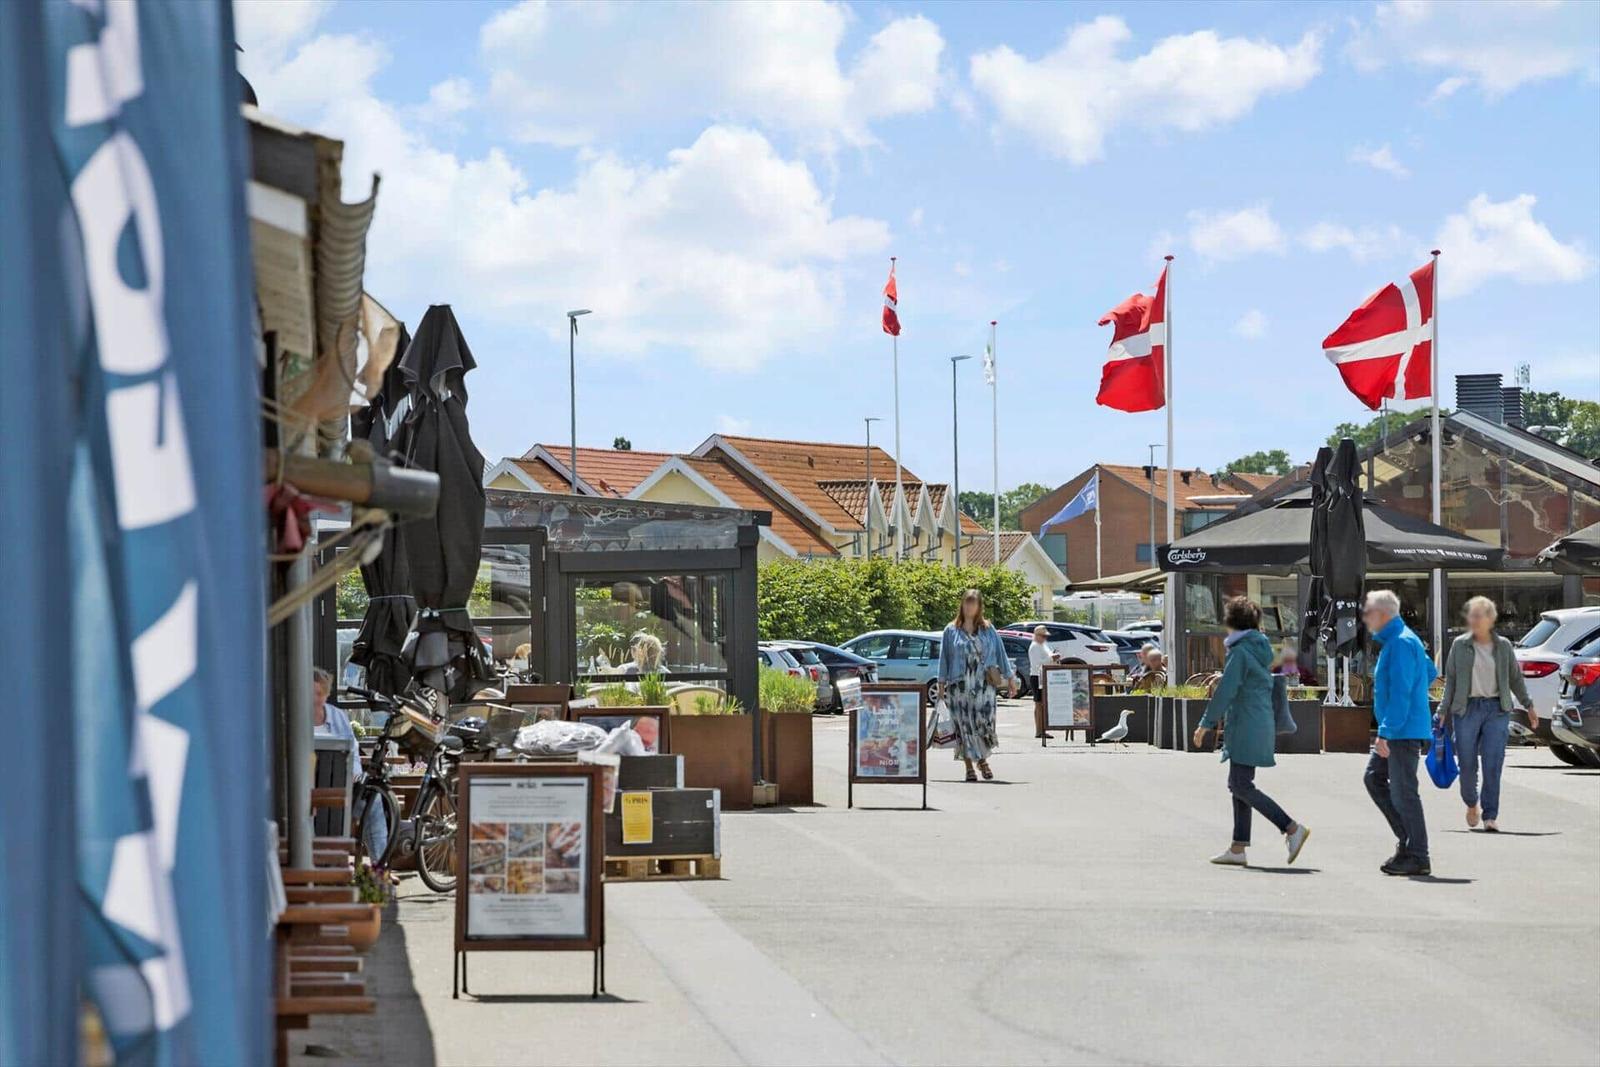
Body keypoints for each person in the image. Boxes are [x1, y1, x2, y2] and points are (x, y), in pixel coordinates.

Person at [1194, 597, 1311, 867]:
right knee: (1240, 785)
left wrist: (1206, 722)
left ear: (1231, 622)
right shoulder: (1258, 647)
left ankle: (1291, 828)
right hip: (1257, 722)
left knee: (1240, 784)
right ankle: (1238, 848)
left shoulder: (1241, 651)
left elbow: (1226, 689)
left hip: (1246, 724)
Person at [1439, 596, 1537, 832]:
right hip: (1467, 708)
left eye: (1479, 615)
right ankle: (1471, 803)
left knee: (1493, 763)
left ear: (1490, 619)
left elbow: (1515, 678)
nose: (1474, 620)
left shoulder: (1503, 646)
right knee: (1467, 763)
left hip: (1497, 709)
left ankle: (1490, 815)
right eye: (1471, 615)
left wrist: (1529, 705)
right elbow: (1450, 681)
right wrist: (1442, 711)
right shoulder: (1459, 646)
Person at [1361, 589, 1439, 876]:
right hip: (1401, 727)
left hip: (1400, 731)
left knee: (1404, 792)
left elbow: (1402, 692)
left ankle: (1418, 854)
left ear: (1382, 614)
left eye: (1369, 612)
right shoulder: (1402, 640)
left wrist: (1386, 731)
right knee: (1374, 779)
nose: (1366, 618)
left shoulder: (1401, 644)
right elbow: (1429, 672)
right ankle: (1408, 842)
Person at [938, 588, 1018, 782]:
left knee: (984, 724)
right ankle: (970, 766)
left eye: (974, 602)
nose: (970, 606)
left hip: (984, 686)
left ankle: (981, 759)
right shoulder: (951, 630)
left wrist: (1010, 679)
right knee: (964, 727)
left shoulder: (988, 629)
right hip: (960, 686)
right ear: (962, 604)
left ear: (979, 606)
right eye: (967, 601)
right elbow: (944, 659)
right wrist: (941, 685)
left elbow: (1000, 654)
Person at [1028, 626, 1059, 742]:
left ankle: (1042, 730)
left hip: (1043, 676)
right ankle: (1039, 730)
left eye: (1045, 636)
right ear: (1037, 635)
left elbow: (1047, 657)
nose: (1045, 638)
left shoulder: (1043, 645)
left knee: (1042, 704)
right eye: (1043, 636)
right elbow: (1037, 664)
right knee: (1039, 703)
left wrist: (1052, 657)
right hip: (1037, 676)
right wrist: (1051, 658)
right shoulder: (1034, 646)